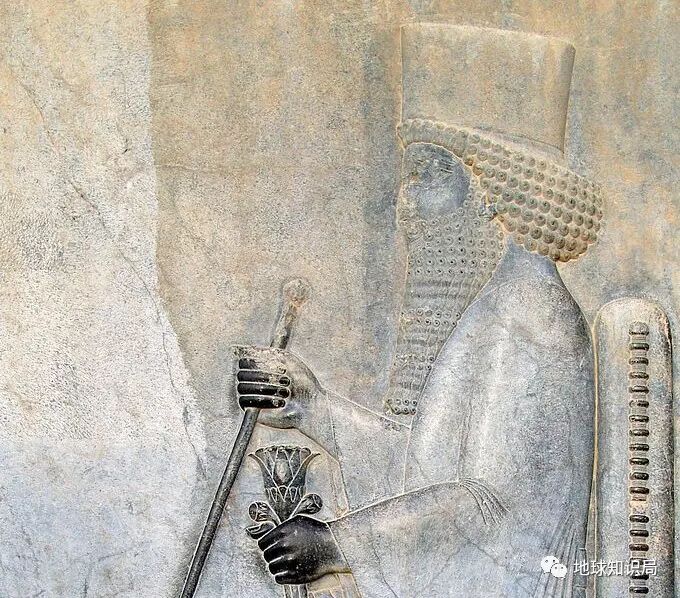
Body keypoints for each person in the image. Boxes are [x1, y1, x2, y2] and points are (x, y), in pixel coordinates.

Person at [233, 24, 602, 597]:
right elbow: (428, 475)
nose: (406, 206)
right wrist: (313, 407)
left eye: (428, 176)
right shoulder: (494, 311)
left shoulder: (534, 318)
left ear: (494, 194)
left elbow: (493, 509)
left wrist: (338, 544)